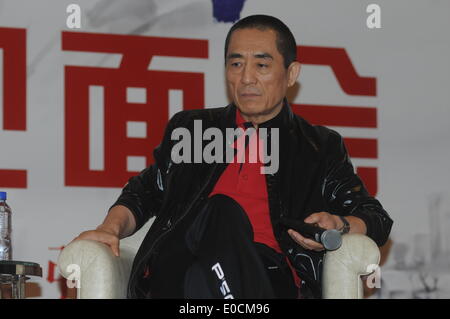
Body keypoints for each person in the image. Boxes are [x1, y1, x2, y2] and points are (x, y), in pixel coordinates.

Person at [71, 14, 393, 299]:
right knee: (221, 212)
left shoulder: (318, 147)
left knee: (203, 277)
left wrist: (339, 224)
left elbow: (375, 217)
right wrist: (111, 228)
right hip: (177, 263)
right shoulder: (193, 129)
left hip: (266, 275)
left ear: (291, 73)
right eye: (236, 63)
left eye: (262, 65)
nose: (246, 78)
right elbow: (144, 191)